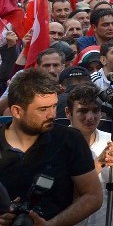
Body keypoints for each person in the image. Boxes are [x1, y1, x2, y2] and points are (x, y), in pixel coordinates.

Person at [0, 69, 102, 225]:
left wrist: (52, 224)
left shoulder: (70, 140)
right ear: (17, 111)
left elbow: (92, 196)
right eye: (43, 109)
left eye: (54, 106)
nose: (52, 115)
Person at [64, 84, 113, 226]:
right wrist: (99, 162)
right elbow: (68, 195)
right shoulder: (59, 143)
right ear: (68, 112)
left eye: (95, 110)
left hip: (105, 219)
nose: (90, 117)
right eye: (83, 111)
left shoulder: (110, 139)